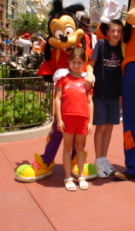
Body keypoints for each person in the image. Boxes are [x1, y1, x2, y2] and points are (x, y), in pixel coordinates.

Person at [89, 19, 123, 178]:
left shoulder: (122, 49)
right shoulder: (101, 45)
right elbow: (91, 63)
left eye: (119, 31)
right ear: (108, 32)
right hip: (100, 93)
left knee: (110, 127)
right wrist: (89, 73)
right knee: (101, 127)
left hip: (114, 94)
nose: (116, 34)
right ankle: (97, 159)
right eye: (113, 31)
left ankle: (103, 158)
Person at [55, 47, 93, 191]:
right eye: (74, 62)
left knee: (80, 148)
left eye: (79, 62)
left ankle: (81, 175)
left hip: (83, 119)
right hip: (67, 118)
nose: (76, 65)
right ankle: (67, 176)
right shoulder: (63, 79)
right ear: (69, 62)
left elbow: (90, 102)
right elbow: (58, 99)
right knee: (67, 147)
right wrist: (59, 119)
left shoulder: (86, 80)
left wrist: (90, 121)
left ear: (83, 63)